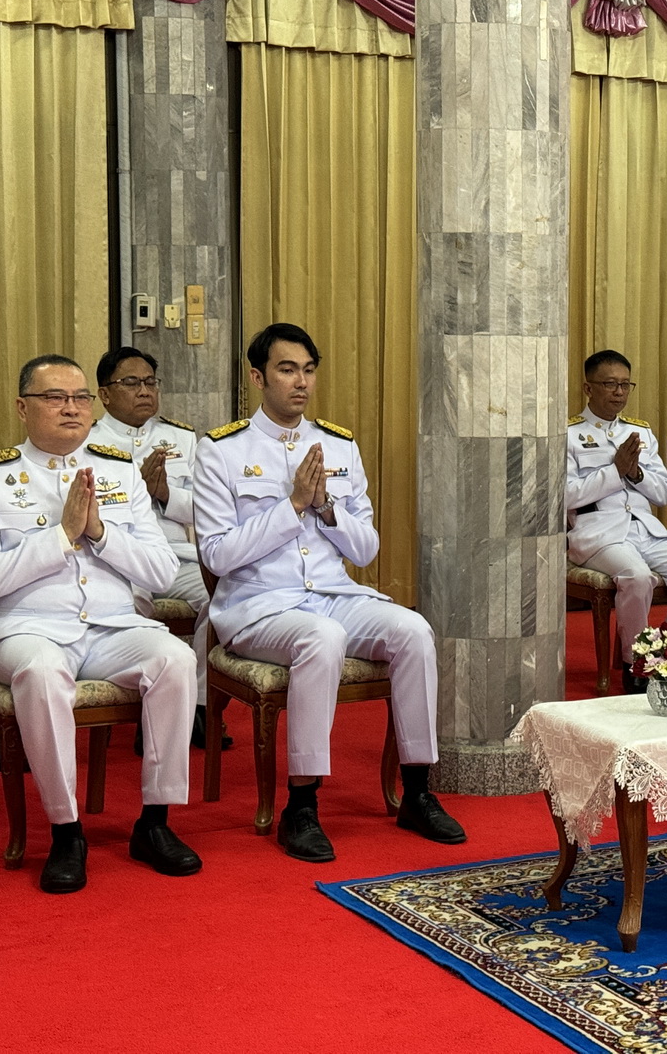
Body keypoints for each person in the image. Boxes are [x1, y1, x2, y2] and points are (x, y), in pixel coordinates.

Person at [193, 323, 466, 862]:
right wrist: (291, 506)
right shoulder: (221, 451)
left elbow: (365, 550)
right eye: (287, 369)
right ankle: (303, 803)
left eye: (309, 370)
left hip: (333, 592)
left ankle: (417, 791)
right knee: (321, 637)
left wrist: (326, 508)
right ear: (257, 376)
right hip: (257, 604)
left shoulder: (338, 445)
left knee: (414, 630)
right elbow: (218, 556)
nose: (301, 382)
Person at [0, 354, 201, 893]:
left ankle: (155, 823)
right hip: (25, 630)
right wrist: (61, 537)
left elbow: (160, 572)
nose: (72, 407)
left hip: (112, 627)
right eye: (54, 397)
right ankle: (67, 832)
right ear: (23, 408)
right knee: (42, 674)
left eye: (81, 397)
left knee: (177, 660)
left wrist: (101, 534)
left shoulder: (118, 472)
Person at [92, 347, 227, 750]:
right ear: (104, 394)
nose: (144, 391)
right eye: (131, 383)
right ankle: (147, 711)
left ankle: (198, 709)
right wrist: (134, 487)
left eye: (151, 382)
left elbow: (208, 505)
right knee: (127, 610)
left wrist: (166, 493)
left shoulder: (183, 439)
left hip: (176, 555)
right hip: (118, 560)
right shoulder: (87, 442)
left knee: (218, 598)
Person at [567, 350, 667, 692]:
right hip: (597, 532)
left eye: (625, 385)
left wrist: (634, 472)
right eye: (609, 384)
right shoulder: (569, 434)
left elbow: (663, 493)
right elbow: (566, 496)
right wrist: (614, 471)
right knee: (636, 577)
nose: (619, 392)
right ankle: (635, 663)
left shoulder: (640, 433)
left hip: (645, 528)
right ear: (589, 388)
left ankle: (666, 653)